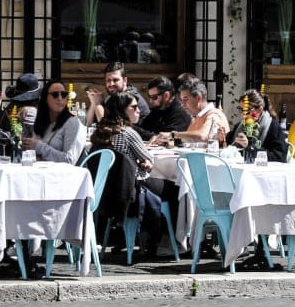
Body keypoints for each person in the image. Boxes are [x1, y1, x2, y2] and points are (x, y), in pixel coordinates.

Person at [88, 91, 167, 259]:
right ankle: (165, 241)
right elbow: (148, 158)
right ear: (122, 110)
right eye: (134, 107)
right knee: (173, 189)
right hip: (130, 188)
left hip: (107, 191)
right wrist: (142, 162)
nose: (139, 110)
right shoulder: (128, 133)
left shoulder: (100, 131)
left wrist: (137, 162)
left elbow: (118, 160)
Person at [22, 79, 86, 163]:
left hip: (63, 175)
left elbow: (70, 160)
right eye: (55, 95)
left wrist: (39, 147)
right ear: (45, 99)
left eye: (63, 94)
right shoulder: (42, 122)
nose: (60, 98)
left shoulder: (72, 123)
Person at [152, 79, 228, 145]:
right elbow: (188, 142)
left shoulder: (214, 115)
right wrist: (164, 140)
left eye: (185, 99)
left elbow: (202, 136)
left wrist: (171, 135)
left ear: (198, 98)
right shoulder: (197, 117)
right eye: (181, 100)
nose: (182, 104)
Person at [228, 88, 288, 162]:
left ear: (259, 109)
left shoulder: (273, 128)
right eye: (241, 110)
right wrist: (222, 139)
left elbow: (279, 156)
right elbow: (229, 142)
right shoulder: (240, 126)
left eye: (248, 110)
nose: (243, 114)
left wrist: (250, 148)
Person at [86, 62, 149, 126]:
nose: (111, 84)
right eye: (108, 80)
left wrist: (97, 104)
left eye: (115, 80)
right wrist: (93, 102)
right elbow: (89, 123)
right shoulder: (112, 97)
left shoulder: (130, 98)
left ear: (125, 80)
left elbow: (108, 127)